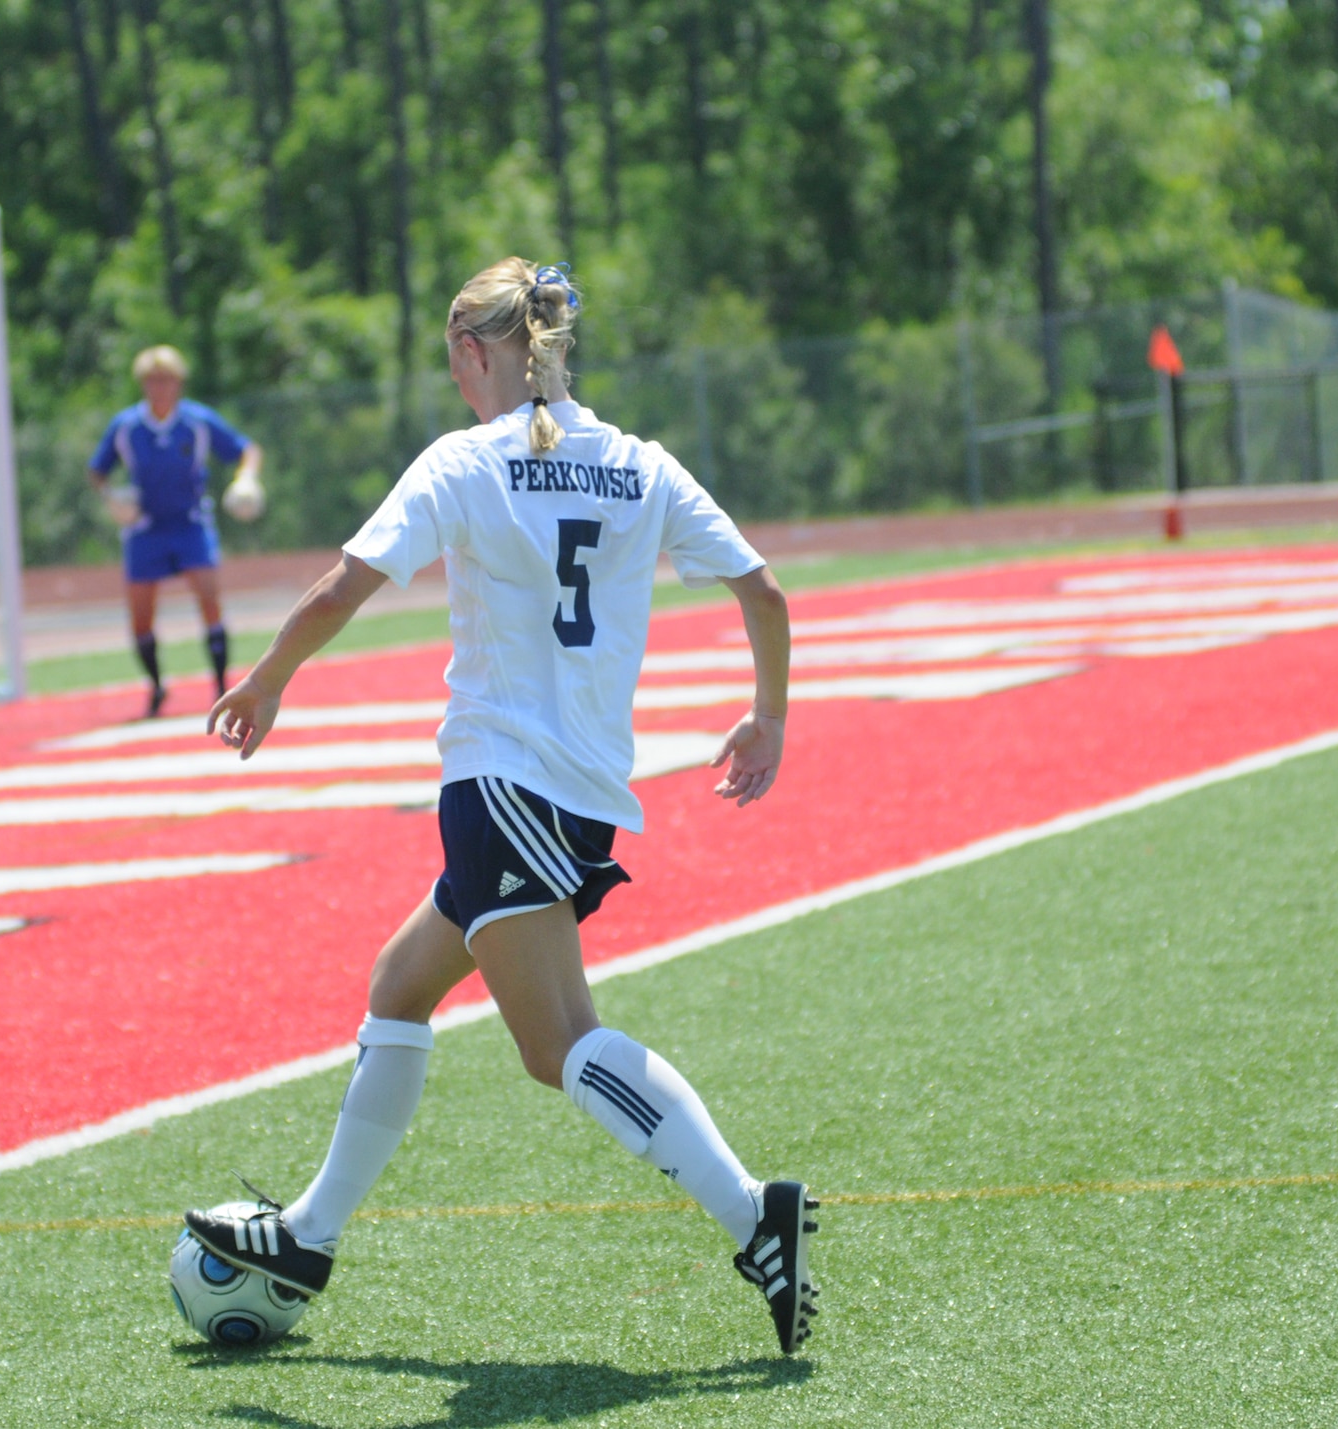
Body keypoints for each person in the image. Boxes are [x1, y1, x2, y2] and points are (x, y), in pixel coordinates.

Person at [184, 259, 815, 1353]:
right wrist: (767, 716)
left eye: (451, 358)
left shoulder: (462, 463)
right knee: (398, 984)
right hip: (574, 799)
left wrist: (268, 677)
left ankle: (750, 1210)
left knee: (556, 1044)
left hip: (499, 787)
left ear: (475, 352)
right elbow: (763, 591)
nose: (452, 379)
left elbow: (342, 587)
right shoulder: (637, 461)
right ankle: (309, 1233)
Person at [87, 345, 266, 718]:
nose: (159, 387)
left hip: (189, 524)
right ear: (143, 384)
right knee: (140, 614)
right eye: (152, 380)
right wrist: (111, 498)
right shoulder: (126, 427)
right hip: (145, 528)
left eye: (166, 379)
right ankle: (155, 688)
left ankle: (220, 686)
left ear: (179, 382)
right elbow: (97, 470)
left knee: (208, 596)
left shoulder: (197, 422)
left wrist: (246, 476)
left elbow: (246, 449)